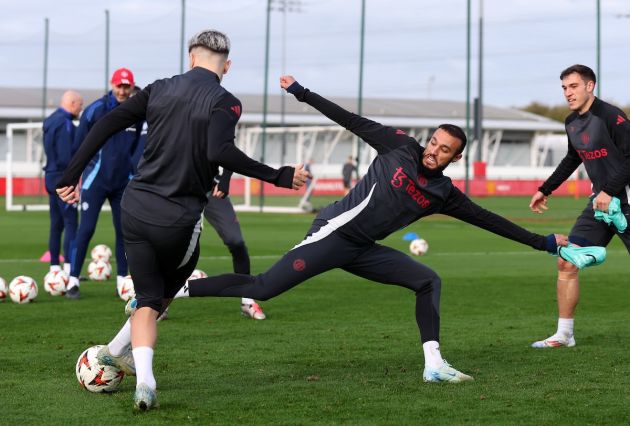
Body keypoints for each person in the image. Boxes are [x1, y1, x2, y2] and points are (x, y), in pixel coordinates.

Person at [174, 75, 568, 384]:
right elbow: (350, 120)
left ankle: (433, 364)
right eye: (433, 142)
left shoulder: (445, 194)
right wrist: (302, 93)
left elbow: (489, 220)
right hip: (334, 234)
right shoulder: (399, 146)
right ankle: (174, 289)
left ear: (456, 156)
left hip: (363, 248)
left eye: (444, 149)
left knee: (427, 281)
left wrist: (545, 243)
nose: (434, 150)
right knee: (262, 289)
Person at [56, 30, 309, 411]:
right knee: (161, 297)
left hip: (136, 209)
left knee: (145, 300)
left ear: (190, 58)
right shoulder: (226, 102)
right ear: (227, 66)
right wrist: (280, 175)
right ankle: (132, 359)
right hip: (179, 219)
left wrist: (69, 175)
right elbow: (220, 150)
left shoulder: (158, 88)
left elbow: (105, 125)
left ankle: (132, 368)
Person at [528, 64, 630, 348]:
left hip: (626, 202)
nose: (567, 93)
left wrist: (610, 191)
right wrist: (544, 189)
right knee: (567, 259)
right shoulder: (571, 122)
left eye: (573, 86)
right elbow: (573, 158)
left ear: (590, 86)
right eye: (564, 88)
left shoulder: (611, 116)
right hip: (599, 205)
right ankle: (564, 334)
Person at [65, 68, 143, 299]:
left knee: (124, 232)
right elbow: (79, 147)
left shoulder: (137, 113)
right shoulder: (95, 110)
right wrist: (75, 179)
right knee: (86, 230)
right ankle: (73, 281)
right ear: (112, 84)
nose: (122, 90)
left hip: (123, 184)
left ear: (132, 87)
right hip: (95, 181)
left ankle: (122, 282)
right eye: (119, 85)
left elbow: (137, 145)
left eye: (126, 86)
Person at [204, 170, 267, 320]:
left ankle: (247, 300)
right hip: (180, 188)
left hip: (212, 188)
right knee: (175, 244)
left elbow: (226, 150)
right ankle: (160, 302)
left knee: (236, 242)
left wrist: (225, 179)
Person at [42, 90, 83, 275]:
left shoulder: (50, 120)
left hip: (50, 176)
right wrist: (73, 180)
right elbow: (66, 156)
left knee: (56, 224)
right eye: (80, 105)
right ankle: (68, 269)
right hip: (63, 180)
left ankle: (54, 268)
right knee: (71, 224)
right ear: (73, 103)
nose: (81, 109)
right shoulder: (65, 123)